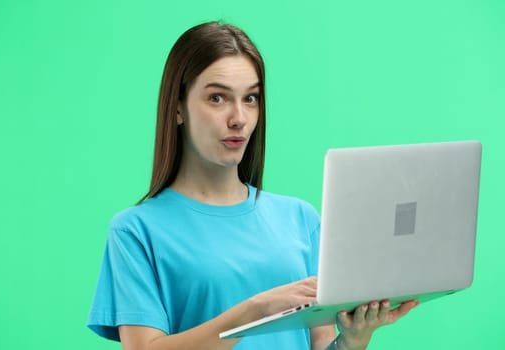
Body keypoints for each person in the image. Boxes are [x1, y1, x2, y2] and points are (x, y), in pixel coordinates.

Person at [87, 21, 419, 350]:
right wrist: (255, 311)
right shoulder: (135, 231)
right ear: (177, 107)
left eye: (251, 98)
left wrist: (353, 339)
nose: (239, 118)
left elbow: (320, 345)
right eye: (217, 98)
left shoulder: (301, 220)